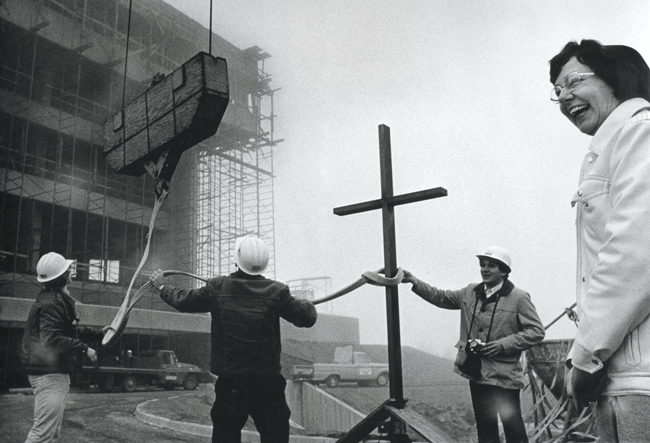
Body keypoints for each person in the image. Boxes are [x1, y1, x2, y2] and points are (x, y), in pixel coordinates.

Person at [549, 39, 650, 441]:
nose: (564, 96)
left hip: (640, 380)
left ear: (614, 79)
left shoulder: (638, 133)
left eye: (573, 80)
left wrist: (586, 358)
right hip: (626, 373)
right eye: (557, 90)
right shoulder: (614, 143)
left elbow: (633, 254)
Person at [149, 236, 317, 443]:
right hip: (268, 383)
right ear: (264, 263)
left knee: (225, 436)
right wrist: (306, 303)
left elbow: (183, 300)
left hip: (232, 384)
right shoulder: (278, 292)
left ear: (236, 260)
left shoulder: (217, 287)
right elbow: (307, 318)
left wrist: (164, 288)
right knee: (275, 436)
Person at [402, 246, 545, 443]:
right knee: (486, 431)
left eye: (491, 266)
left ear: (504, 271)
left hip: (505, 377)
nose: (485, 269)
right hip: (477, 373)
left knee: (514, 430)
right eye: (482, 265)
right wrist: (415, 282)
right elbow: (441, 297)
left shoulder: (519, 298)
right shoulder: (470, 292)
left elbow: (537, 331)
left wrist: (503, 345)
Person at [21, 252, 108, 443]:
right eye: (68, 270)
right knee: (42, 434)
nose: (70, 273)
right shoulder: (53, 303)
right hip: (49, 374)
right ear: (64, 276)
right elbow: (51, 339)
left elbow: (69, 331)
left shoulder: (53, 300)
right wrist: (84, 349)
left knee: (51, 434)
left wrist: (99, 333)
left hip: (49, 372)